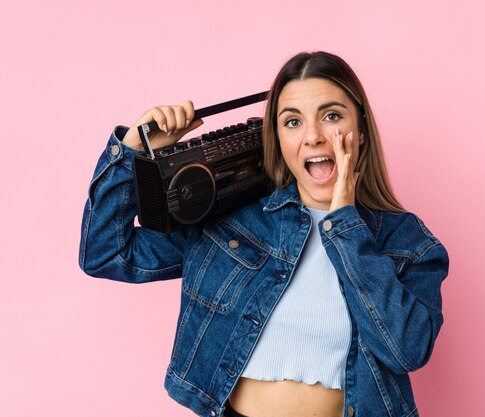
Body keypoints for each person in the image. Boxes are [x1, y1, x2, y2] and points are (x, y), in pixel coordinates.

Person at [79, 51, 449, 417]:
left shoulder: (407, 242)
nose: (313, 137)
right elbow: (106, 254)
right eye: (293, 122)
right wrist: (131, 152)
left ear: (361, 130)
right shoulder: (232, 220)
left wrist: (345, 224)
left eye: (331, 116)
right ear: (277, 136)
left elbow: (406, 350)